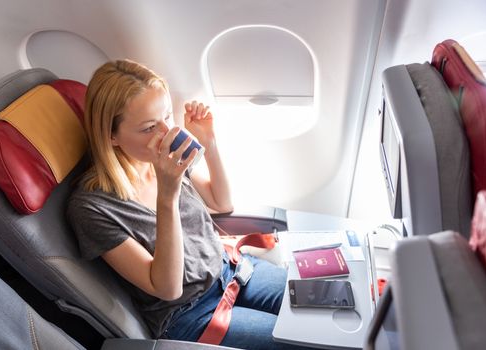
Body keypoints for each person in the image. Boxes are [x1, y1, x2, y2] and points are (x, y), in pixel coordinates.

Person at [67, 59, 311, 350]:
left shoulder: (165, 155)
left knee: (320, 309)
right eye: (148, 128)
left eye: (167, 117)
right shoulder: (92, 208)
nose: (166, 133)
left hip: (230, 270)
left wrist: (209, 142)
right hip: (191, 314)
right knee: (302, 340)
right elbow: (166, 288)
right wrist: (167, 194)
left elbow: (221, 202)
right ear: (111, 135)